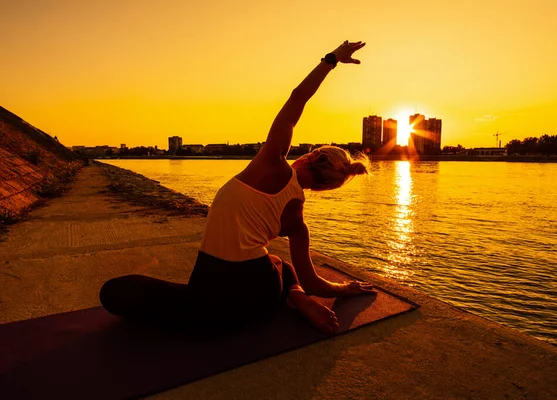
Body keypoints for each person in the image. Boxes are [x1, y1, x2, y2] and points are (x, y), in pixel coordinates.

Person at [100, 40, 375, 334]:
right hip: (258, 298)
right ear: (323, 187)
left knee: (113, 292)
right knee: (279, 263)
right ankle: (293, 295)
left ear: (314, 155)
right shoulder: (297, 222)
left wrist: (331, 59)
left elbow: (298, 99)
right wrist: (346, 288)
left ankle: (286, 296)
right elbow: (314, 282)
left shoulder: (273, 161)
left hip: (209, 287)